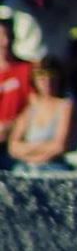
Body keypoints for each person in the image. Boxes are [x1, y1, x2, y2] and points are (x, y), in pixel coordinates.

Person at [7, 59, 77, 171]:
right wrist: (41, 148)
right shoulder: (30, 108)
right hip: (25, 167)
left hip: (55, 168)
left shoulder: (66, 106)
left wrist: (31, 153)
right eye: (41, 75)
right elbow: (13, 147)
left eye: (51, 74)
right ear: (34, 80)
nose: (47, 80)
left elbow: (59, 146)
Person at [0, 18, 33, 166]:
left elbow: (36, 106)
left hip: (17, 140)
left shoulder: (26, 70)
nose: (5, 42)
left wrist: (14, 125)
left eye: (8, 36)